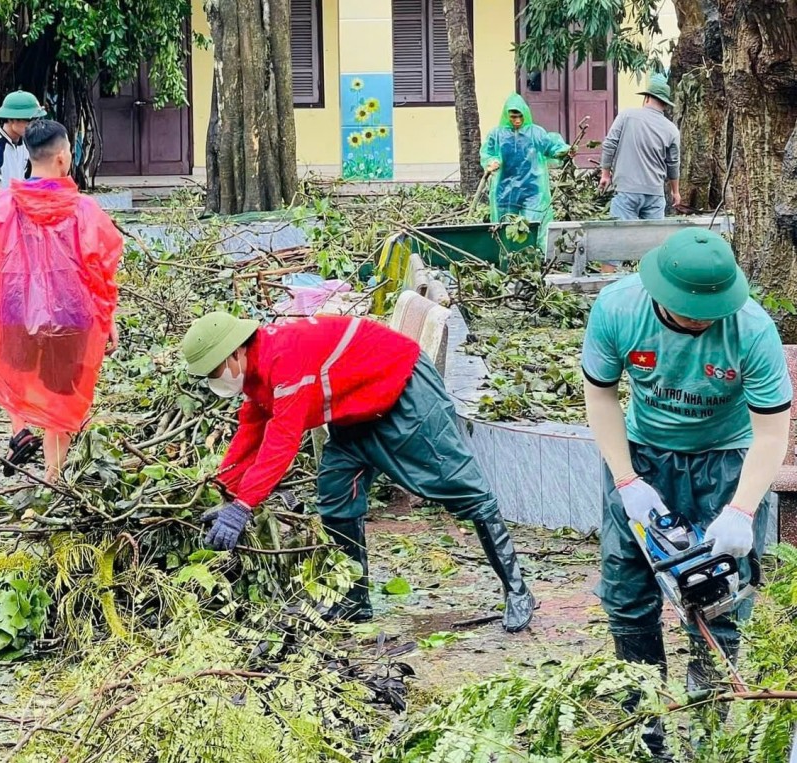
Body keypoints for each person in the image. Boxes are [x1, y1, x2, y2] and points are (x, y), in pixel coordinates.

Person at [181, 313, 536, 632]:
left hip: (402, 392)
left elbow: (282, 440)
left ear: (235, 352)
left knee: (460, 487)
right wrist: (224, 490)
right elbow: (251, 430)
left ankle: (517, 590)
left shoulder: (283, 357)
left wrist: (244, 507)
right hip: (353, 411)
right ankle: (355, 600)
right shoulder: (255, 374)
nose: (216, 379)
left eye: (215, 370)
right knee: (336, 498)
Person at [582, 228, 791, 758]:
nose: (701, 321)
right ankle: (645, 725)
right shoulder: (618, 308)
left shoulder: (751, 329)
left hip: (725, 460)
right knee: (628, 599)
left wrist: (741, 510)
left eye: (710, 311)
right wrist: (626, 480)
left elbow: (771, 431)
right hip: (643, 455)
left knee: (716, 598)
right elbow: (601, 396)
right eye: (689, 312)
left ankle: (706, 726)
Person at [0, 120, 123, 482]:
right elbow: (101, 269)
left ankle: (21, 434)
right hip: (71, 319)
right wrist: (107, 319)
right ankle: (53, 476)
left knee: (19, 378)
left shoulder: (1, 207)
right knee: (61, 396)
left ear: (30, 158)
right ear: (63, 158)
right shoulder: (85, 211)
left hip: (13, 313)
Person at [480, 93, 573, 238]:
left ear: (526, 114)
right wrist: (491, 162)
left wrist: (564, 151)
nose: (517, 120)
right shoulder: (496, 134)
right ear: (506, 115)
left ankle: (535, 254)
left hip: (533, 189)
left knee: (533, 226)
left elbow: (550, 146)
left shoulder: (536, 133)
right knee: (506, 227)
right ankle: (508, 257)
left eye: (520, 116)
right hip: (504, 190)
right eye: (513, 117)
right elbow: (487, 152)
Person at [599, 73, 682, 220]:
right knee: (653, 240)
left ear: (647, 97)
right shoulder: (672, 130)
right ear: (664, 104)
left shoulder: (626, 116)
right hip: (655, 195)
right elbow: (673, 164)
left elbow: (609, 144)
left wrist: (605, 174)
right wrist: (675, 192)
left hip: (626, 191)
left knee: (623, 239)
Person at [0, 90, 47, 214]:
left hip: (14, 218)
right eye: (29, 120)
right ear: (13, 119)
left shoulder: (24, 145)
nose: (34, 125)